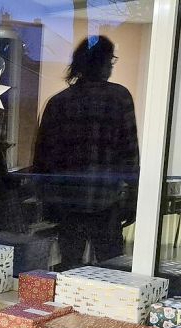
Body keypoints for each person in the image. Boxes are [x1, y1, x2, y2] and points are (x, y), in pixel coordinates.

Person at [34, 35, 139, 269]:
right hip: (106, 200)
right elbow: (130, 153)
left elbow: (43, 159)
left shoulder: (59, 103)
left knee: (70, 267)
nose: (112, 65)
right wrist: (133, 197)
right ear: (103, 62)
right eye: (111, 60)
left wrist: (47, 201)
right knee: (112, 269)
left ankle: (68, 306)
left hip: (68, 202)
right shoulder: (120, 98)